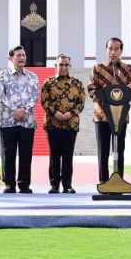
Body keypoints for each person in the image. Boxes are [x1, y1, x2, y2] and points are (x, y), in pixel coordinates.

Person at [88, 37, 131, 183]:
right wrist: (105, 95)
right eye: (110, 48)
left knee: (119, 151)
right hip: (102, 116)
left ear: (121, 51)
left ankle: (119, 182)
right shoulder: (97, 68)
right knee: (103, 152)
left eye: (116, 49)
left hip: (121, 116)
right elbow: (91, 90)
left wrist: (128, 89)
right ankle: (103, 183)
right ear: (106, 50)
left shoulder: (128, 69)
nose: (113, 52)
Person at [0, 46, 39, 194]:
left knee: (26, 153)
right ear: (11, 57)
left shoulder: (33, 76)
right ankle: (9, 184)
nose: (22, 58)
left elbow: (34, 96)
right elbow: (0, 96)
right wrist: (15, 110)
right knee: (8, 153)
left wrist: (24, 110)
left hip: (27, 121)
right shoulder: (2, 75)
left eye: (24, 55)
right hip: (8, 121)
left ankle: (24, 184)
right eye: (18, 55)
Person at [41, 54, 85, 194]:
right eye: (61, 64)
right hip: (53, 125)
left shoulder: (77, 83)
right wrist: (56, 113)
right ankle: (54, 185)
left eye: (66, 64)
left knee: (68, 156)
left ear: (70, 66)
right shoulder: (48, 83)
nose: (64, 67)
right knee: (54, 155)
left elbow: (81, 102)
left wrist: (70, 114)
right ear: (56, 66)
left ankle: (67, 185)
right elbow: (44, 101)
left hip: (70, 125)